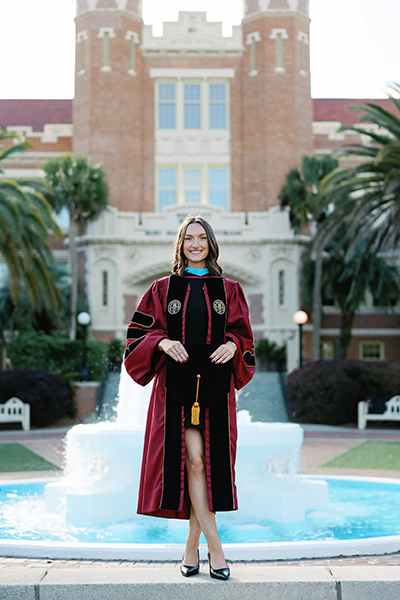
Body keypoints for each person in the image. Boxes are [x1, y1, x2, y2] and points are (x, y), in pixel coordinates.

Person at [124, 215, 255, 580]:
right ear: (180, 245)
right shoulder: (162, 289)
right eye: (188, 239)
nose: (195, 244)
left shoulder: (228, 290)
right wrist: (162, 341)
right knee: (194, 462)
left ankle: (191, 545)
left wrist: (233, 345)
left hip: (215, 388)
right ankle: (217, 549)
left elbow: (243, 335)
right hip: (174, 389)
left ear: (211, 244)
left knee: (208, 465)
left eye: (201, 238)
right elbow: (136, 337)